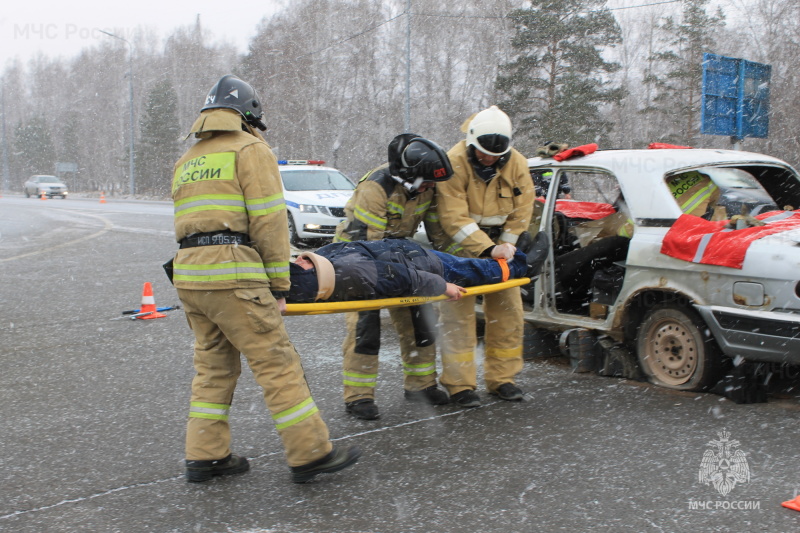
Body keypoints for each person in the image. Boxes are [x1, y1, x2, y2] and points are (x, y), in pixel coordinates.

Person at [171, 74, 360, 483]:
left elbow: (184, 224)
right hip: (234, 274)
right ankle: (310, 452)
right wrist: (278, 285)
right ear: (249, 113)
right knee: (277, 363)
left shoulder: (188, 160)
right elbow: (270, 221)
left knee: (213, 366)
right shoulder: (251, 149)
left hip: (190, 276)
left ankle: (205, 454)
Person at [333, 134, 453, 420]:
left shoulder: (426, 188)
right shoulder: (375, 187)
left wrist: (456, 263)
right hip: (357, 259)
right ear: (410, 176)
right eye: (428, 182)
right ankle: (359, 396)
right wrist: (400, 273)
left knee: (422, 323)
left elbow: (439, 236)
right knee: (366, 328)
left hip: (400, 256)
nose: (432, 188)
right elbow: (368, 244)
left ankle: (421, 385)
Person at [431, 105, 535, 407]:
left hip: (501, 247)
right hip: (459, 248)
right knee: (457, 317)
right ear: (472, 143)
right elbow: (454, 218)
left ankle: (503, 379)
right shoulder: (453, 163)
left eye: (495, 155)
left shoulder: (517, 163)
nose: (489, 159)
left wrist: (506, 248)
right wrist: (487, 249)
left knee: (509, 314)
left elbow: (522, 211)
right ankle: (460, 385)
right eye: (483, 153)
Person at [286, 237, 547, 304]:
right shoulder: (351, 273)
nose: (300, 261)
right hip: (426, 266)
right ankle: (522, 265)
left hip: (412, 255)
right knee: (477, 271)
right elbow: (403, 278)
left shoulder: (327, 262)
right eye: (301, 265)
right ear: (313, 274)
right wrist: (442, 286)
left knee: (472, 265)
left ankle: (515, 255)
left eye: (299, 262)